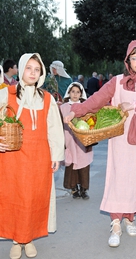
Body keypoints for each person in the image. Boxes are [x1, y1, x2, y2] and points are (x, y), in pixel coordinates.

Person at [64, 39, 136, 247]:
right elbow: (97, 100)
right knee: (120, 177)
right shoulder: (117, 81)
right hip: (122, 138)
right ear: (127, 60)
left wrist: (135, 105)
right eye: (133, 58)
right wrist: (76, 111)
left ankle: (130, 217)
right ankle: (116, 222)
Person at [0, 53, 64, 259]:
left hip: (39, 157)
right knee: (15, 198)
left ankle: (28, 239)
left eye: (37, 69)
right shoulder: (6, 94)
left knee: (34, 198)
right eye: (29, 68)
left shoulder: (47, 99)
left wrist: (56, 155)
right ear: (20, 69)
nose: (33, 73)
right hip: (12, 157)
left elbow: (54, 128)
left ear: (41, 73)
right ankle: (17, 240)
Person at [60, 82, 93, 199]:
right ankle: (74, 189)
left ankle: (84, 189)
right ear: (69, 93)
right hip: (69, 140)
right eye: (73, 91)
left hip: (82, 142)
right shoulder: (63, 108)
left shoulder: (84, 108)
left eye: (78, 92)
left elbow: (91, 122)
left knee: (84, 165)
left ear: (81, 94)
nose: (75, 94)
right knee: (71, 164)